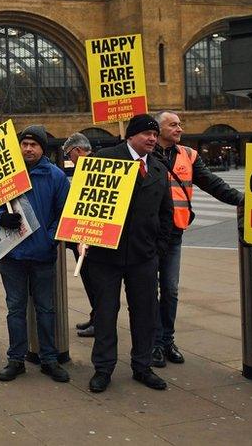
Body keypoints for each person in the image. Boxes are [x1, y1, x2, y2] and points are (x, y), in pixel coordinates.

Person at [84, 114, 173, 393]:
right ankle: (103, 368)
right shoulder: (106, 158)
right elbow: (85, 199)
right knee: (105, 313)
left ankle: (142, 366)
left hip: (143, 257)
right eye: (147, 134)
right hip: (105, 256)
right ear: (131, 135)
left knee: (145, 313)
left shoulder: (158, 169)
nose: (152, 139)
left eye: (155, 135)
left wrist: (158, 249)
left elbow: (166, 214)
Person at [151, 112, 244, 368]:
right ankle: (154, 343)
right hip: (147, 235)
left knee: (170, 290)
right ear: (158, 129)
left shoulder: (189, 155)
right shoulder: (144, 154)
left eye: (180, 124)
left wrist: (241, 199)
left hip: (173, 234)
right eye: (173, 124)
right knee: (148, 291)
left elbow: (212, 183)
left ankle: (167, 340)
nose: (179, 128)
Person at [0, 125, 71, 383]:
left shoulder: (55, 176)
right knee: (15, 309)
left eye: (34, 145)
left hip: (43, 255)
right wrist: (2, 217)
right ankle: (16, 359)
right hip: (12, 256)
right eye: (24, 144)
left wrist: (50, 239)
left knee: (46, 309)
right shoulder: (5, 175)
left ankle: (49, 359)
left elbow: (64, 213)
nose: (28, 148)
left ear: (43, 148)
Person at [61, 133, 97, 339]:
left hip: (89, 239)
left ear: (77, 151)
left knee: (94, 282)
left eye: (69, 155)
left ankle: (99, 320)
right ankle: (95, 316)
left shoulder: (91, 168)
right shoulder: (88, 167)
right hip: (81, 236)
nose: (69, 159)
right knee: (89, 281)